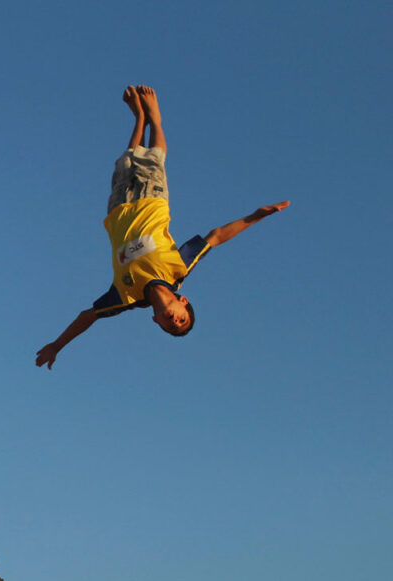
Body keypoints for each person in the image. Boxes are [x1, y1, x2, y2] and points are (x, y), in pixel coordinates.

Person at [34, 85, 290, 369]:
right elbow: (215, 237)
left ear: (155, 320)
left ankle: (139, 119)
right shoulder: (177, 269)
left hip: (118, 210)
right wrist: (255, 216)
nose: (174, 321)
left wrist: (57, 345)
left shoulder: (125, 297)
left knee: (128, 159)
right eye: (182, 318)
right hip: (152, 201)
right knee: (153, 157)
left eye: (171, 327)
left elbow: (88, 316)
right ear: (183, 300)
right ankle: (155, 119)